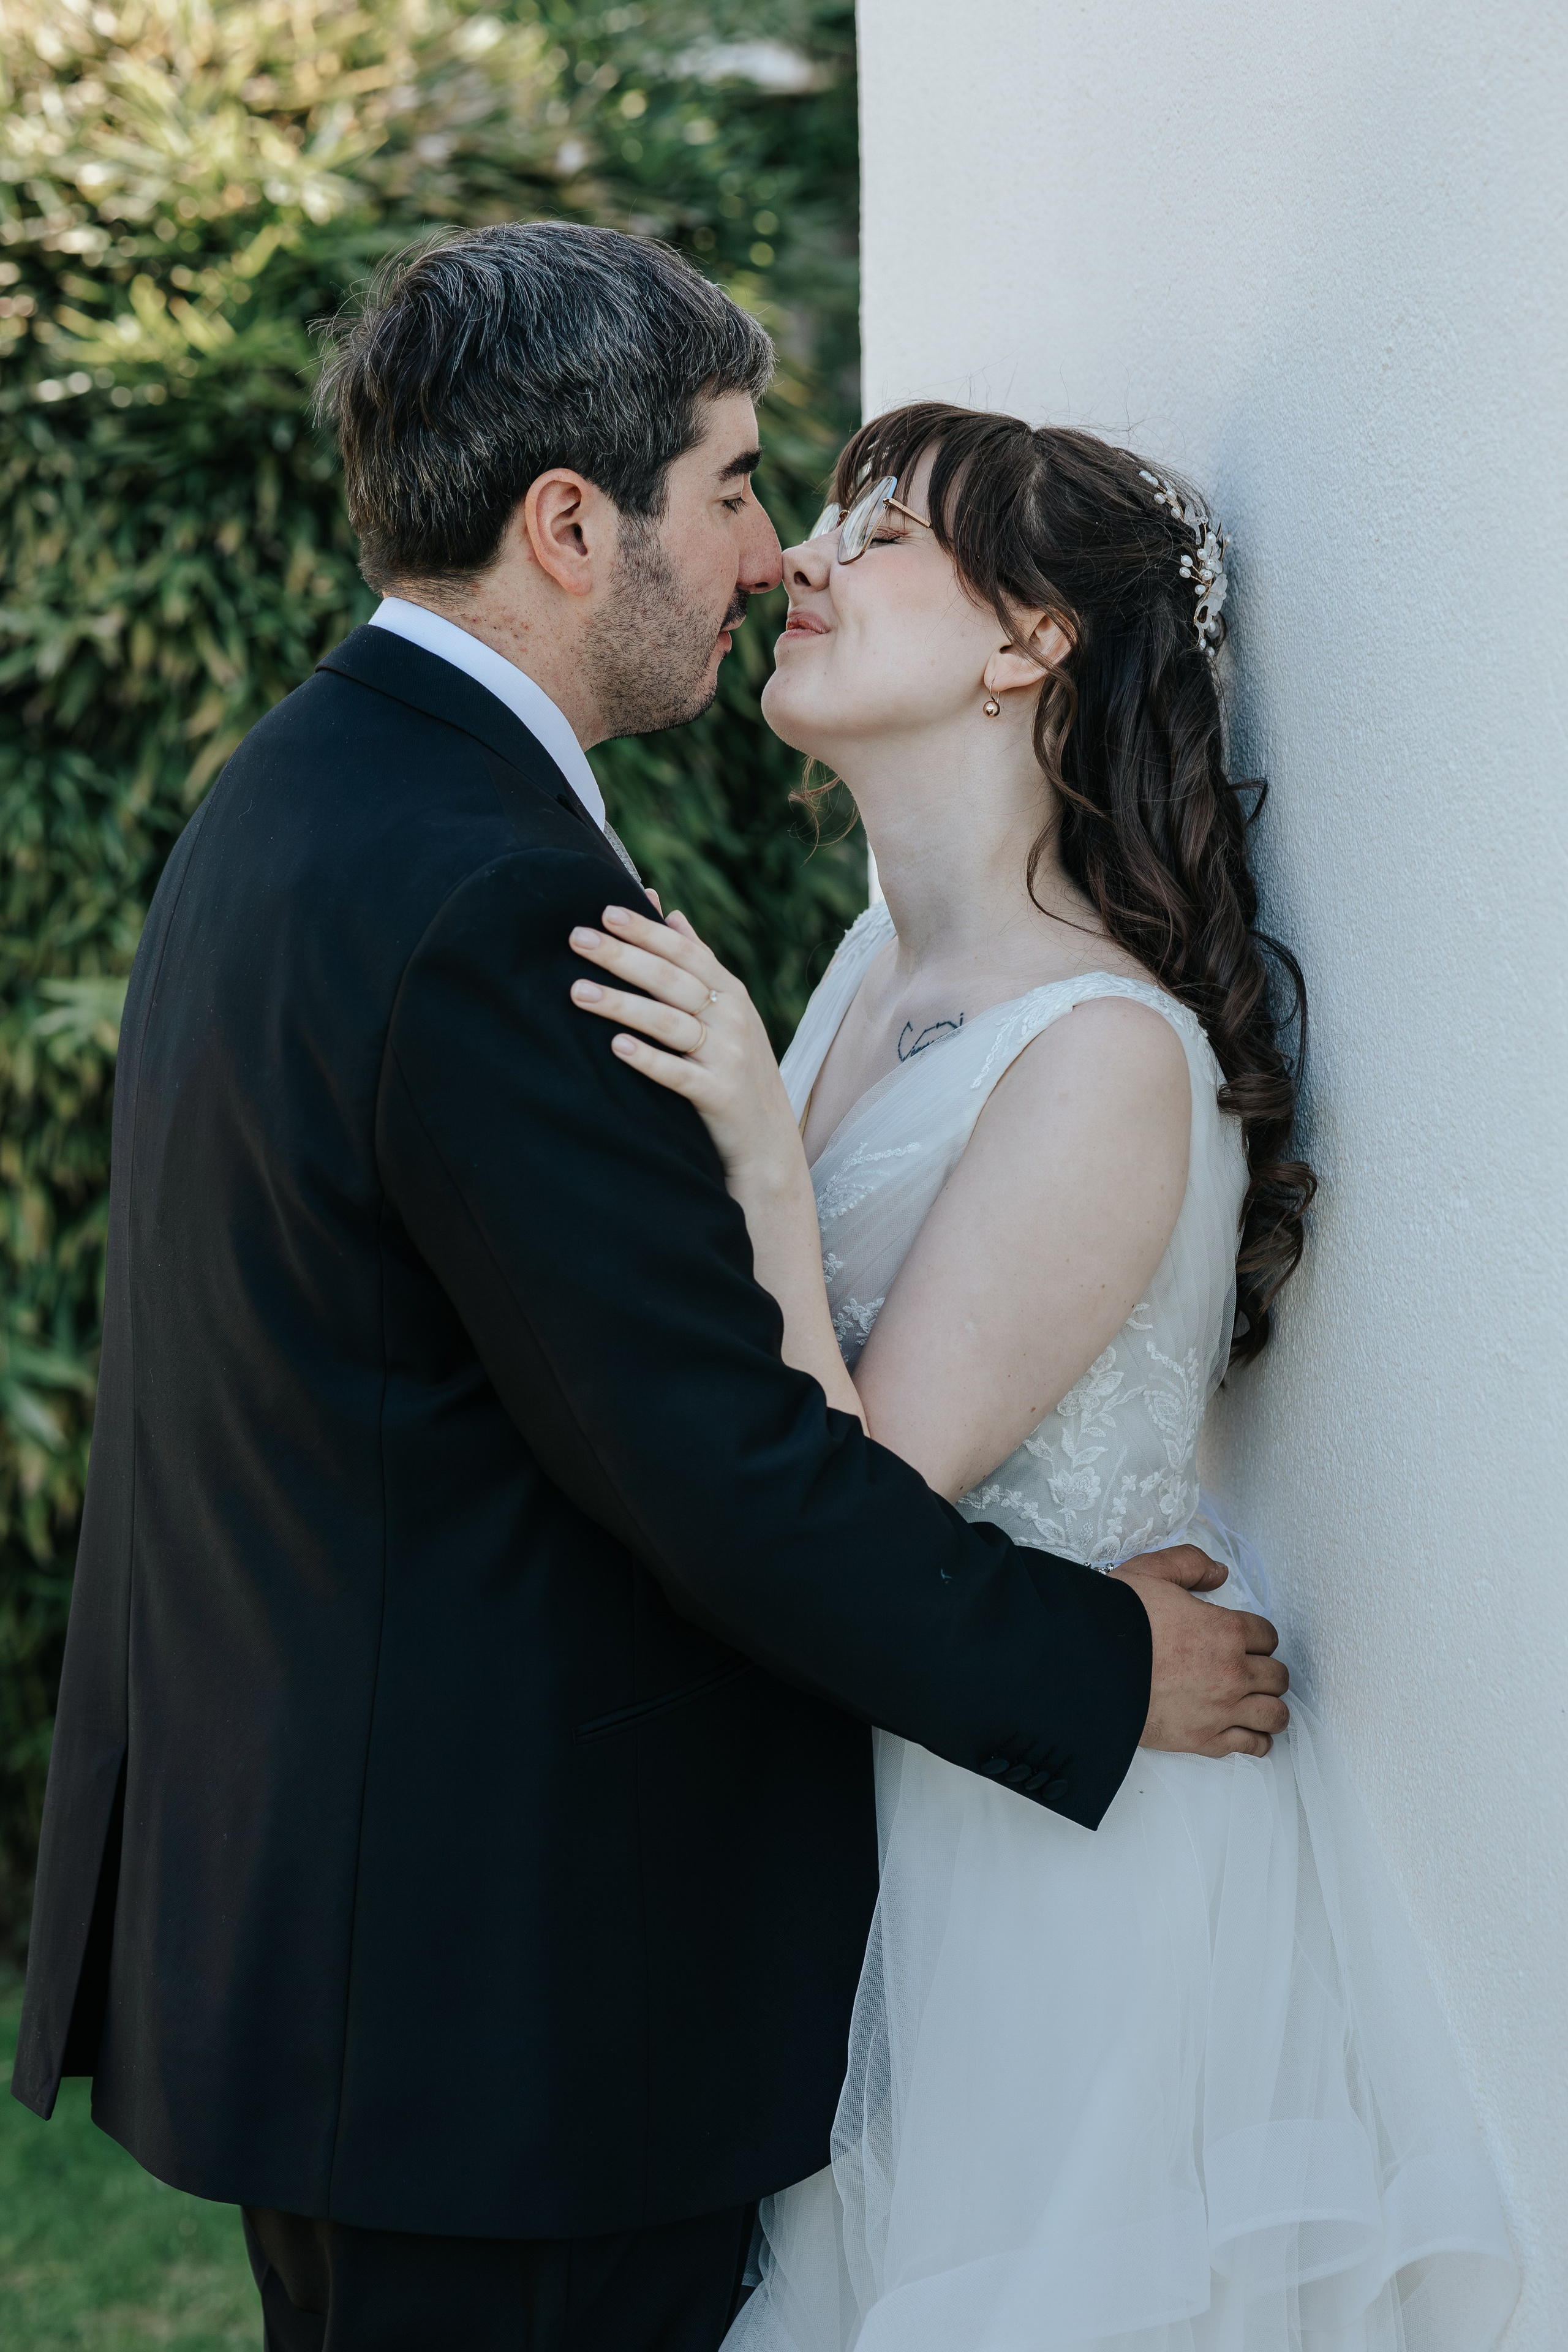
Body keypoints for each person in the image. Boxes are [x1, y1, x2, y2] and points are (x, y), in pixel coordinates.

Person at [10, 230, 1289, 2352]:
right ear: (572, 525)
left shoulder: (299, 800)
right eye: (737, 488)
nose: (770, 552)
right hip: (487, 2004)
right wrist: (1098, 1667)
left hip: (366, 1962)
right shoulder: (498, 883)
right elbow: (710, 1463)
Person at [570, 405, 1520, 2351]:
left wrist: (757, 1150)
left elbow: (858, 1501)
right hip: (895, 1814)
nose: (800, 562)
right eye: (814, 515)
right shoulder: (861, 973)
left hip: (1048, 1885)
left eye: (883, 533)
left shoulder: (1101, 1054)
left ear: (1032, 646)